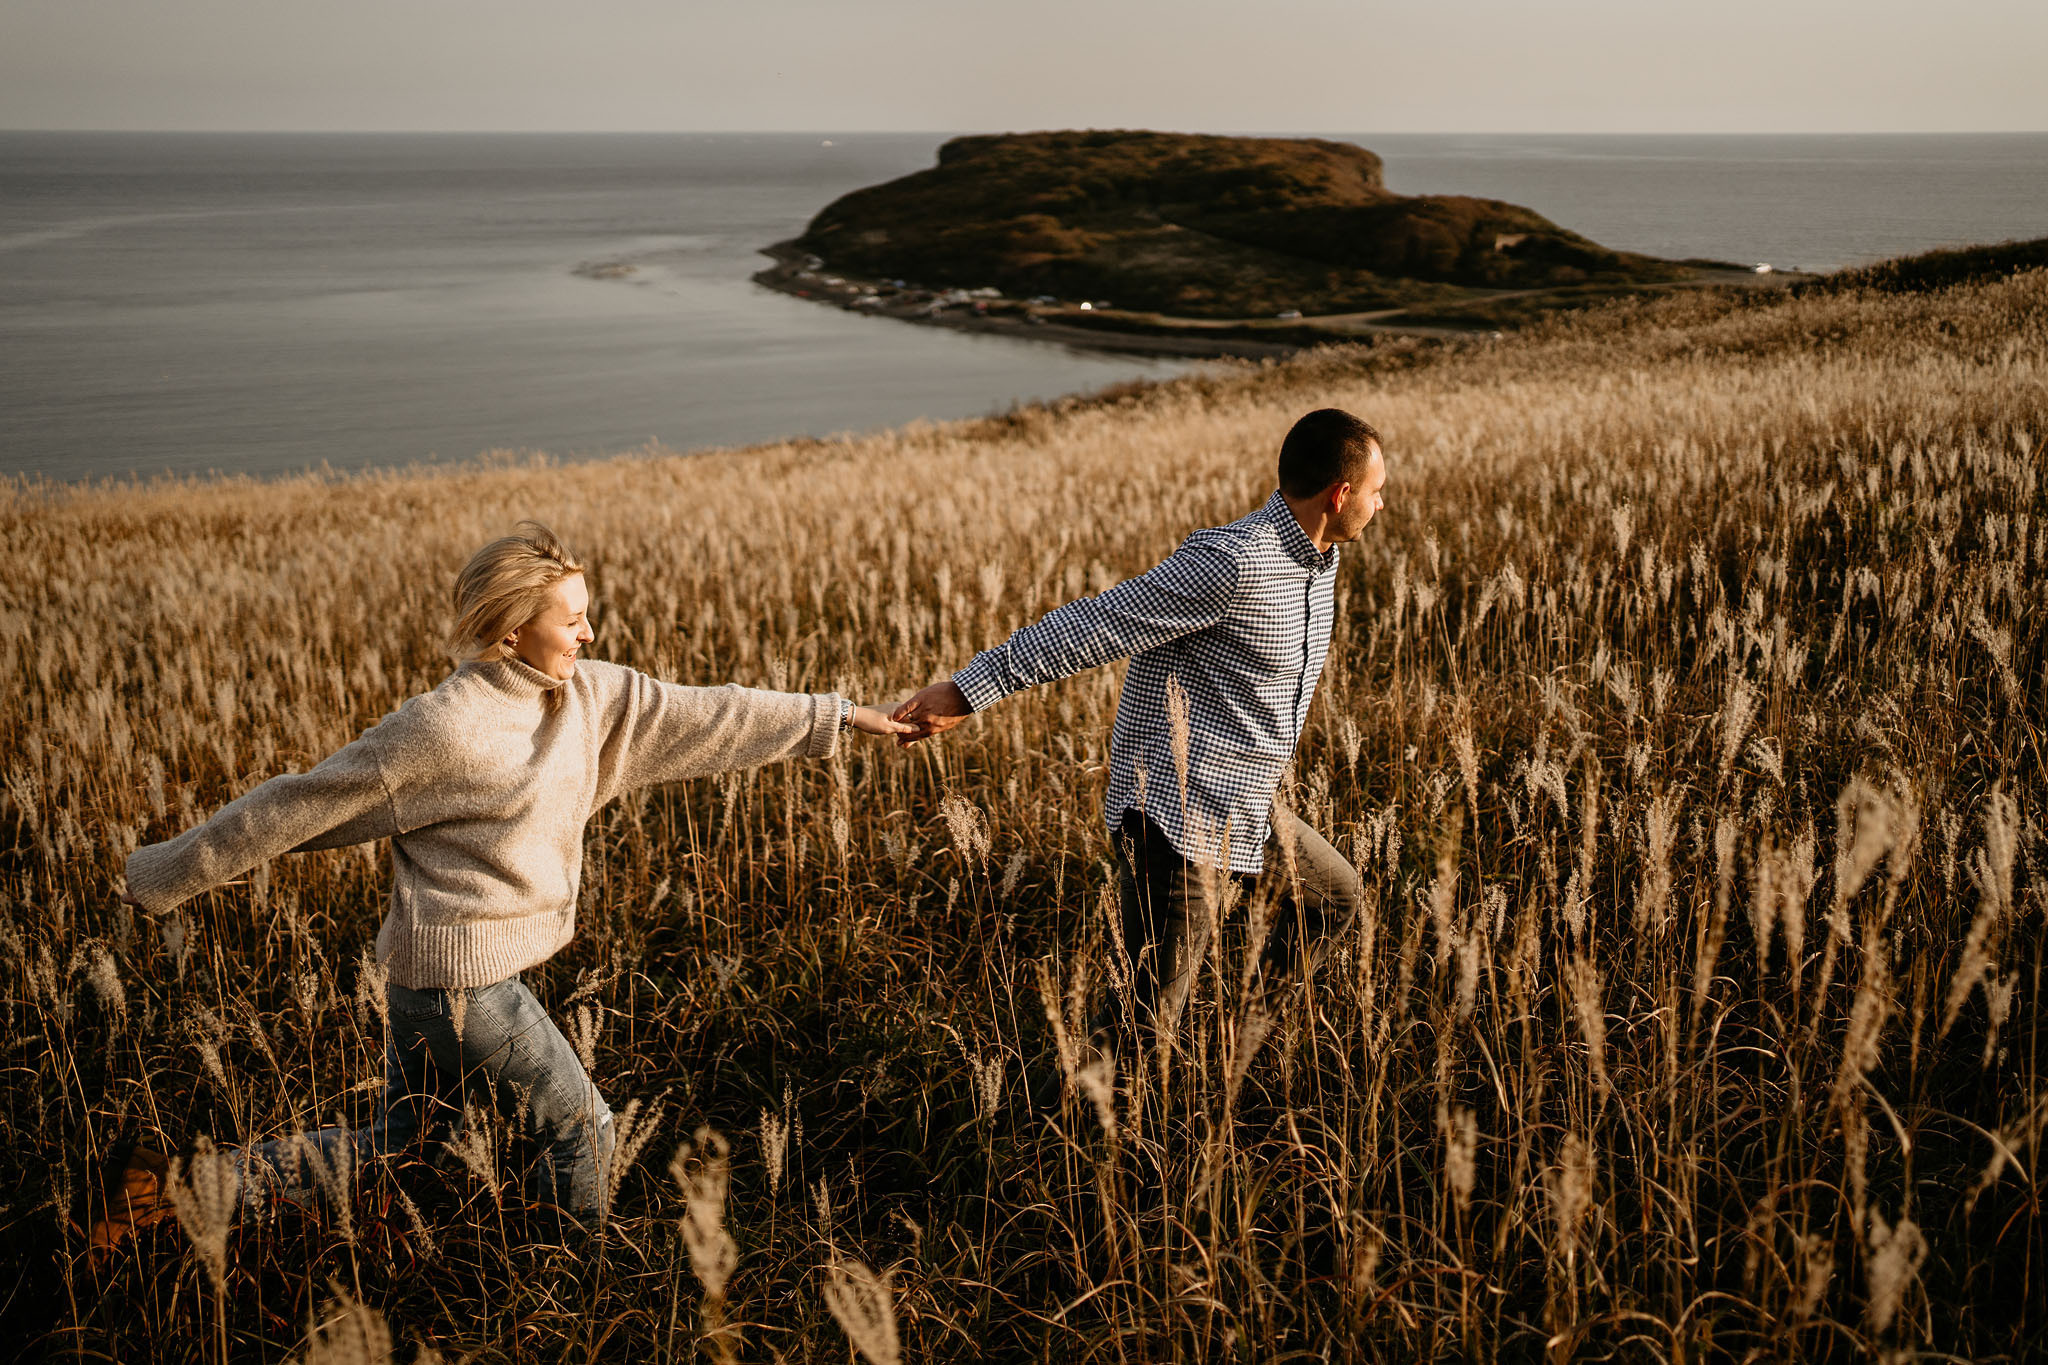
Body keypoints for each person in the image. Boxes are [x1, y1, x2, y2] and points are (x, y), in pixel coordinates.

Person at [92, 521, 912, 1253]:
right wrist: (162, 874)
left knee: (402, 1142)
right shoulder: (443, 726)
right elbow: (295, 805)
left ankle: (168, 1189)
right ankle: (572, 1277)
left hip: (437, 984)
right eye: (572, 618)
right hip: (461, 986)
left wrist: (842, 718)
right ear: (515, 627)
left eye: (588, 611)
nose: (590, 631)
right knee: (586, 1130)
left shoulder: (589, 698)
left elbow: (714, 713)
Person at [894, 408, 1387, 1051]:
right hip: (1177, 820)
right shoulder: (1233, 563)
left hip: (1248, 807)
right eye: (1377, 490)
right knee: (1143, 1029)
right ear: (1339, 494)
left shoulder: (1320, 565)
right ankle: (1097, 1130)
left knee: (1334, 900)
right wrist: (968, 689)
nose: (1382, 503)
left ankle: (1240, 1049)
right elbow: (1096, 624)